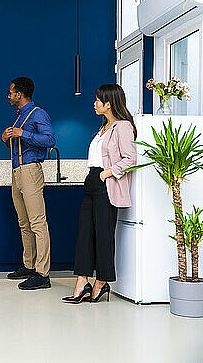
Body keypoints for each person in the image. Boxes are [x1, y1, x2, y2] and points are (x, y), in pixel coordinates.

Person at [62, 84, 136, 304]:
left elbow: (130, 158)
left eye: (97, 100)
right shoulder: (103, 128)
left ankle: (101, 282)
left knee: (104, 234)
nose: (94, 103)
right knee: (85, 233)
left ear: (109, 103)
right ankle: (82, 281)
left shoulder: (123, 127)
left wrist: (108, 173)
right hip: (92, 181)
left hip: (106, 183)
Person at [1, 76, 55, 290]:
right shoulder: (19, 117)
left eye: (10, 92)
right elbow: (21, 143)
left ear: (19, 94)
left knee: (37, 223)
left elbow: (50, 140)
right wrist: (7, 138)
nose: (8, 95)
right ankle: (29, 265)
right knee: (24, 223)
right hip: (17, 172)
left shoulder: (38, 113)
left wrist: (22, 133)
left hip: (31, 171)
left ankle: (43, 274)